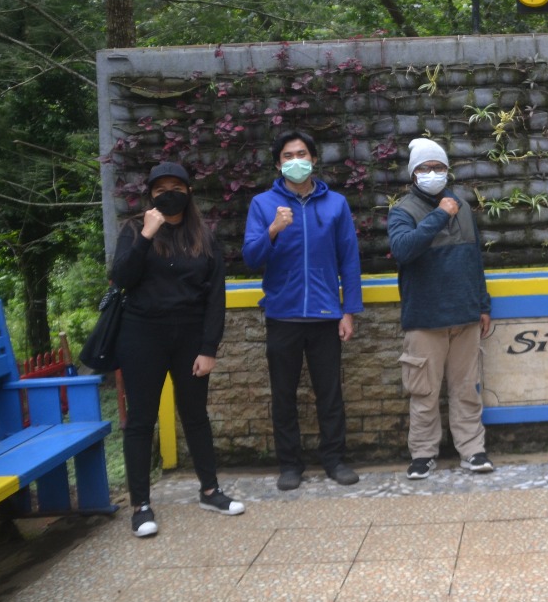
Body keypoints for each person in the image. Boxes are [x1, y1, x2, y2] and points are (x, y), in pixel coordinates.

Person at [112, 162, 244, 538]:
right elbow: (122, 278)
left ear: (188, 191)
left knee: (195, 415)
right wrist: (146, 237)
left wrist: (209, 347)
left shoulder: (203, 235)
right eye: (160, 188)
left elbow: (215, 295)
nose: (168, 193)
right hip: (141, 336)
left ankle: (209, 490)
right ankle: (140, 506)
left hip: (189, 337)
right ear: (149, 193)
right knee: (140, 420)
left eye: (176, 186)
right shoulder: (136, 229)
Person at [243, 129, 363, 490]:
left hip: (326, 316)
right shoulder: (263, 205)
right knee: (283, 395)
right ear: (278, 164)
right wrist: (274, 229)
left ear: (313, 159)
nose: (295, 161)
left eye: (302, 154)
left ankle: (334, 460)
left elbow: (350, 260)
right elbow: (251, 257)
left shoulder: (336, 204)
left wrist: (349, 311)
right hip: (283, 316)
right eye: (287, 156)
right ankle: (290, 465)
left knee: (330, 394)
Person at [388, 138, 495, 479]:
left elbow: (474, 258)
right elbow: (404, 250)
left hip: (464, 316)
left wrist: (482, 304)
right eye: (424, 168)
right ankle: (422, 453)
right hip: (424, 319)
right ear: (413, 173)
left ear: (447, 170)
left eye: (439, 167)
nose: (432, 173)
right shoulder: (402, 211)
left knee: (467, 389)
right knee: (424, 392)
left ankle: (473, 450)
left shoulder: (461, 207)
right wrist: (438, 215)